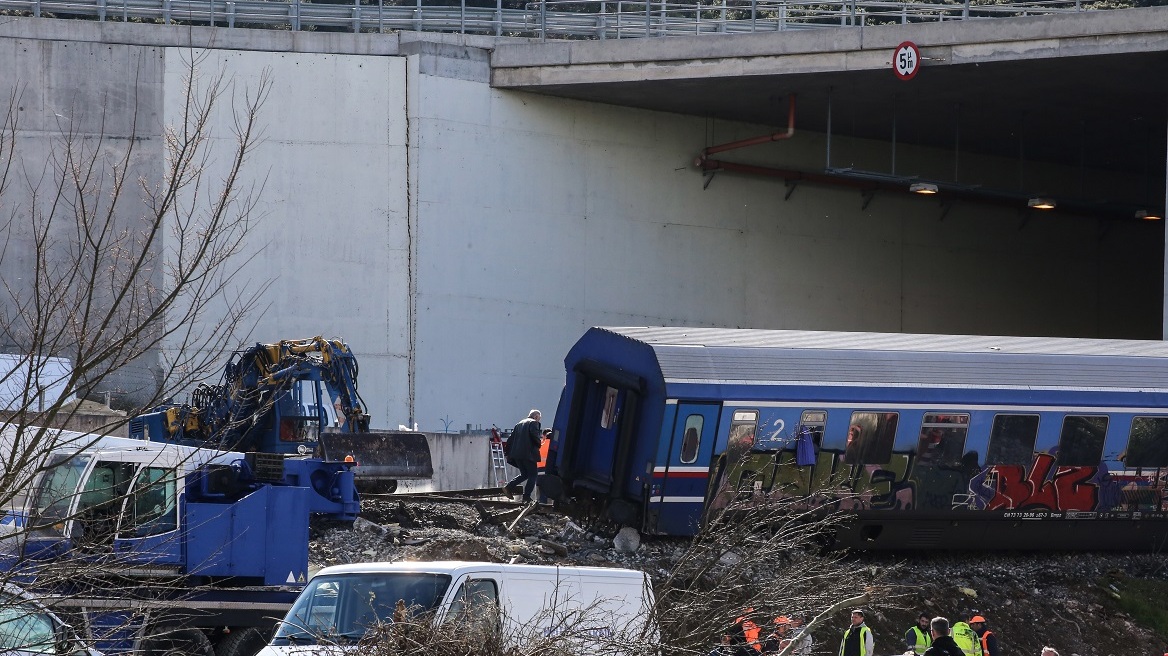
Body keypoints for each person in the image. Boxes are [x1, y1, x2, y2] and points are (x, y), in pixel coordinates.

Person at [504, 409, 543, 503]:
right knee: (533, 475)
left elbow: (510, 439)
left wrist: (507, 453)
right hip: (528, 454)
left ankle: (508, 487)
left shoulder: (519, 424)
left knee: (525, 474)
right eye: (539, 418)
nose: (539, 420)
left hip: (517, 455)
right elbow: (535, 436)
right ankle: (526, 497)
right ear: (536, 416)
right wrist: (539, 444)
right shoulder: (534, 423)